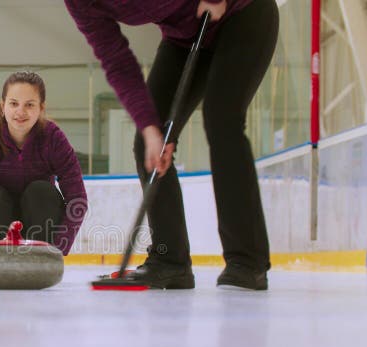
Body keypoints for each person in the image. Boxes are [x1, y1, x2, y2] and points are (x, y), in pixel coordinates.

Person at [64, 0, 278, 290]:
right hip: (185, 37)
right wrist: (151, 129)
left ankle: (247, 261)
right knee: (147, 142)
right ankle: (171, 262)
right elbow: (116, 61)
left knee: (222, 118)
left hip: (243, 14)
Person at [0, 72, 88, 256]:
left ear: (41, 108)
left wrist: (58, 249)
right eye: (14, 103)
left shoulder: (53, 138)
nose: (20, 112)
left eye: (29, 105)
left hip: (38, 222)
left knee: (42, 191)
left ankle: (39, 257)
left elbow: (77, 200)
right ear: (2, 106)